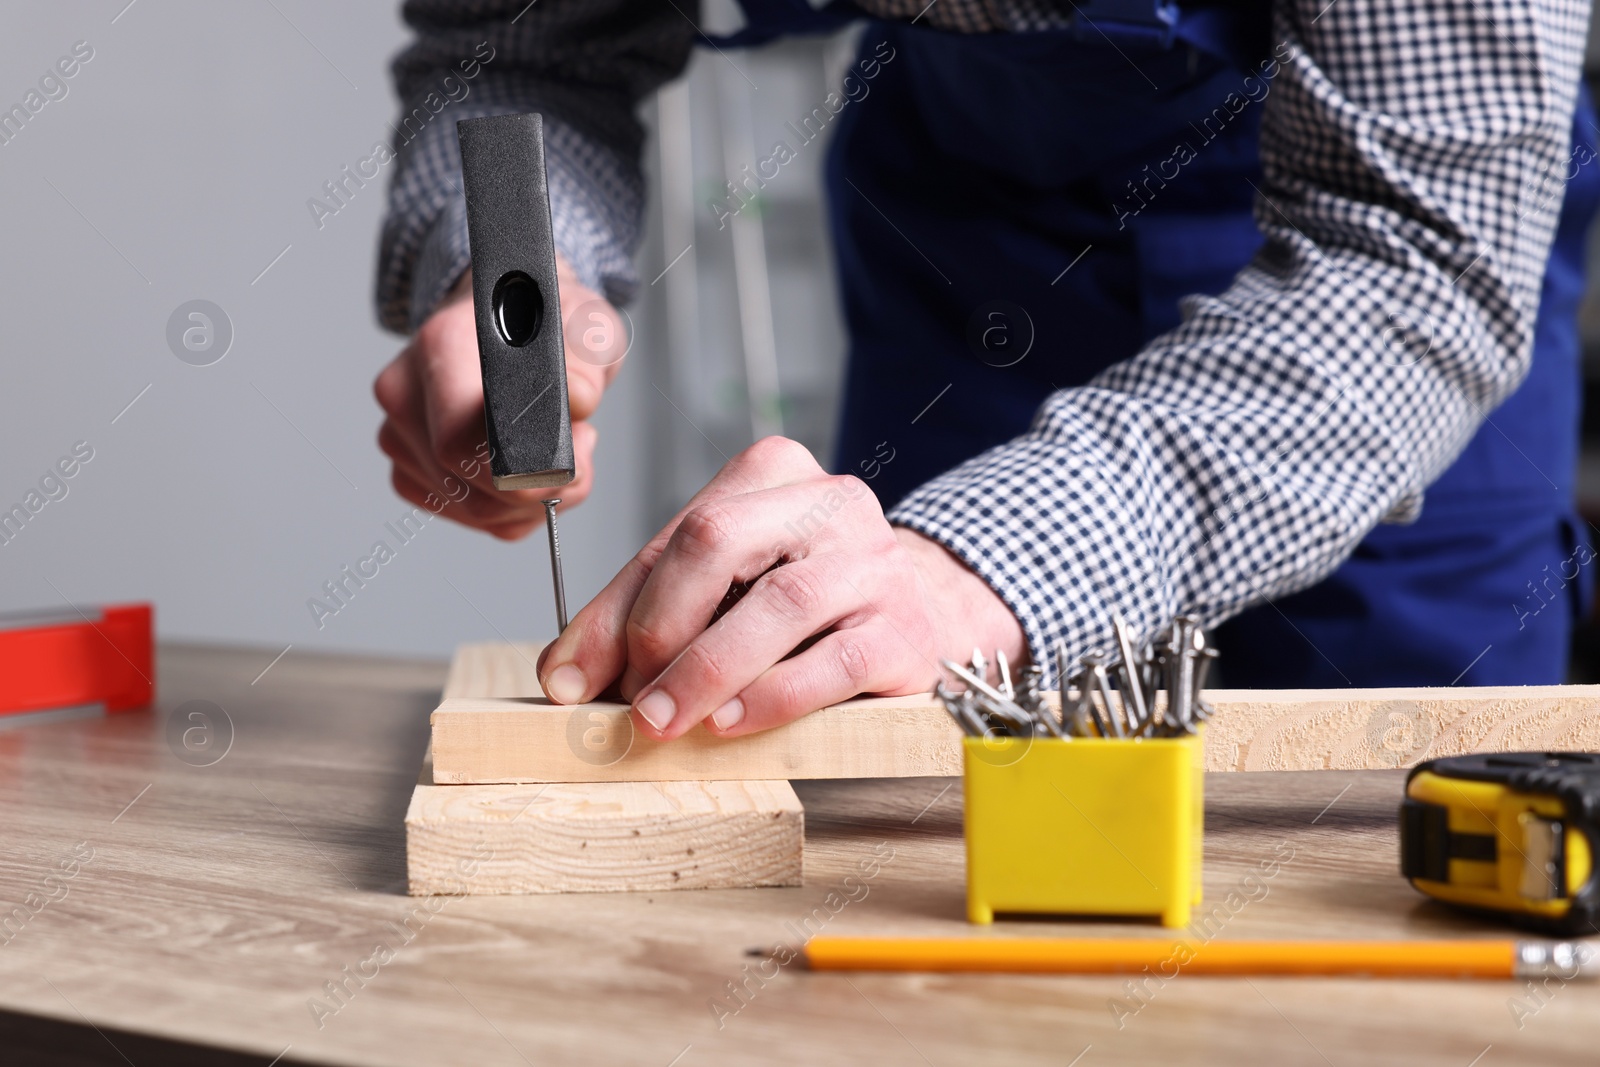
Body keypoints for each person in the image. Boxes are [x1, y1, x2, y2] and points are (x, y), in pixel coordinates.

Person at [374, 0, 1599, 743]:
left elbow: (1418, 254)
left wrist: (983, 561)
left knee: (1377, 857)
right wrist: (517, 277)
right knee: (903, 866)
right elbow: (522, 50)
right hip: (966, 256)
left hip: (1364, 327)